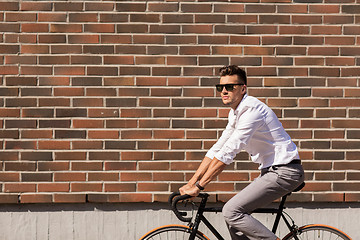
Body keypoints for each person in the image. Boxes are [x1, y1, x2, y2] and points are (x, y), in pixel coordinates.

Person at [179, 65, 304, 240]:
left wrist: (199, 187)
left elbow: (229, 152)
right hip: (271, 171)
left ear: (243, 89)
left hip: (284, 172)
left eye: (229, 87)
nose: (224, 91)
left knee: (231, 211)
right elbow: (218, 148)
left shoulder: (251, 111)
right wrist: (191, 182)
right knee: (235, 219)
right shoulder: (236, 113)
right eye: (220, 87)